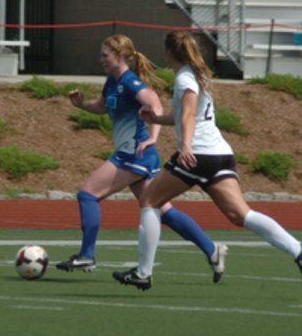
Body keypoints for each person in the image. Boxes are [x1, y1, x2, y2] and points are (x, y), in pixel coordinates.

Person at [127, 30, 302, 284]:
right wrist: (157, 119)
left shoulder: (184, 78)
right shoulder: (197, 75)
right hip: (220, 154)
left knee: (149, 201)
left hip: (197, 154)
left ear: (168, 53)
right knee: (240, 214)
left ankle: (143, 272)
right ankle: (298, 250)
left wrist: (185, 145)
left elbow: (188, 115)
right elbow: (188, 115)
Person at [56, 34, 228, 289]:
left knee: (88, 194)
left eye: (105, 55)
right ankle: (212, 250)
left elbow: (154, 104)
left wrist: (152, 137)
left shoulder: (131, 81)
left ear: (120, 56)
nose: (101, 59)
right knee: (163, 211)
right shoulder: (112, 82)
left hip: (133, 154)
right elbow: (102, 107)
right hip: (135, 155)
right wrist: (82, 104)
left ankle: (87, 256)